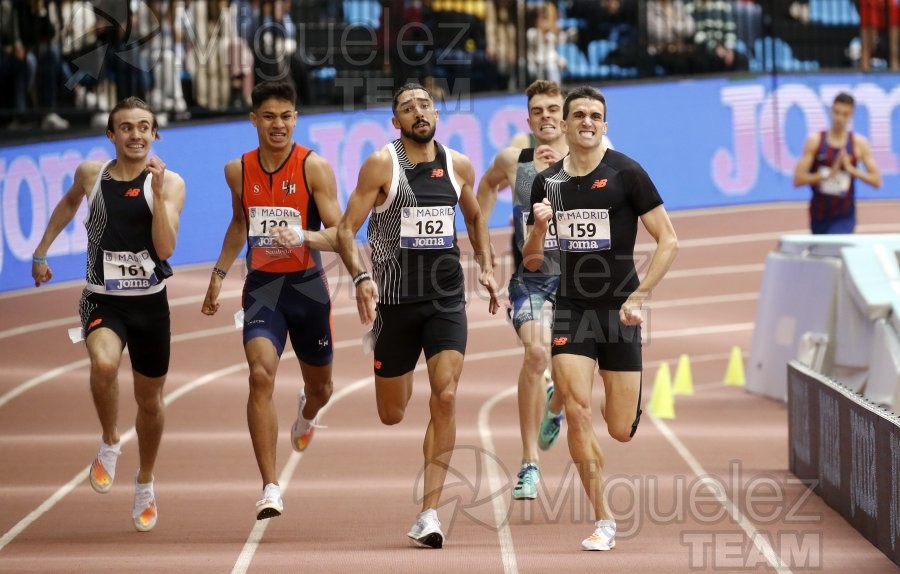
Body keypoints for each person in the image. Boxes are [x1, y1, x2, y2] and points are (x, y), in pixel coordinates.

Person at [336, 82, 499, 548]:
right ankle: (393, 365)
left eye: (425, 105)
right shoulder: (382, 165)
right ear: (396, 122)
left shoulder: (457, 164)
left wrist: (486, 265)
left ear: (436, 114)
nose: (418, 112)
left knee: (445, 396)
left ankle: (429, 513)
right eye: (407, 108)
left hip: (446, 299)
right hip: (394, 305)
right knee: (392, 413)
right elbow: (347, 230)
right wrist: (361, 278)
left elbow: (473, 217)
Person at [524, 85, 678, 550]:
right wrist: (538, 229)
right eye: (579, 115)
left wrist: (640, 296)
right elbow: (533, 261)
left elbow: (669, 241)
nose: (587, 122)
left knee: (619, 429)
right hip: (571, 308)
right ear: (565, 124)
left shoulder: (627, 173)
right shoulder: (545, 182)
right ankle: (604, 519)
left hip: (619, 311)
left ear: (604, 125)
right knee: (576, 410)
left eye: (596, 115)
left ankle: (629, 409)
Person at [31, 97, 186, 532]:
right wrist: (42, 250)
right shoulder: (91, 175)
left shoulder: (171, 183)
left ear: (155, 133)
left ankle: (145, 481)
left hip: (151, 305)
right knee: (102, 364)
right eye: (126, 127)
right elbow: (66, 205)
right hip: (103, 299)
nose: (136, 135)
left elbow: (167, 248)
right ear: (111, 135)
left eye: (144, 127)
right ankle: (110, 442)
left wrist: (155, 196)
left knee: (150, 401)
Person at [200, 80, 341, 520]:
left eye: (285, 116)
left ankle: (308, 411)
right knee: (260, 376)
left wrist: (304, 235)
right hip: (263, 289)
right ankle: (270, 485)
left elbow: (340, 234)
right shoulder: (237, 170)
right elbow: (240, 224)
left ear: (296, 118)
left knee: (321, 388)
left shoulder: (313, 168)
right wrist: (219, 274)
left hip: (308, 290)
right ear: (253, 120)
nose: (277, 125)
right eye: (268, 116)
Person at [476, 79, 568, 501]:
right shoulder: (514, 159)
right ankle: (529, 462)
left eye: (553, 108)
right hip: (530, 279)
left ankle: (555, 405)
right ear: (528, 119)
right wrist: (484, 247)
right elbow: (485, 188)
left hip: (579, 285)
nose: (546, 116)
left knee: (570, 379)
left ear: (565, 115)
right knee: (535, 354)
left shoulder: (592, 159)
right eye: (538, 111)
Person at [792, 92, 882, 234]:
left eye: (845, 114)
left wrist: (851, 170)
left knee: (836, 249)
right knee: (822, 254)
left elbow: (876, 181)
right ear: (831, 111)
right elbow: (798, 179)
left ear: (851, 115)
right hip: (819, 215)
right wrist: (827, 174)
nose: (839, 118)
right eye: (837, 112)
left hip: (844, 216)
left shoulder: (859, 144)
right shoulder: (815, 141)